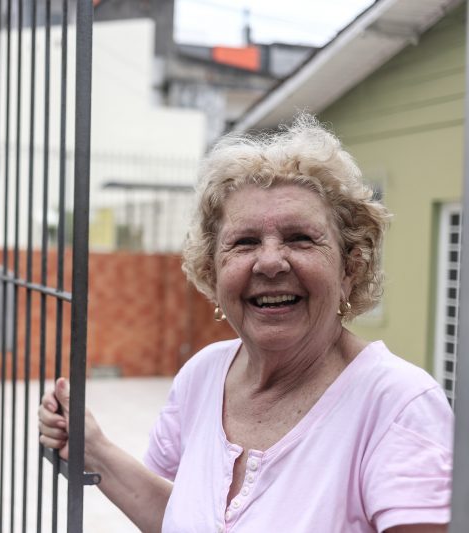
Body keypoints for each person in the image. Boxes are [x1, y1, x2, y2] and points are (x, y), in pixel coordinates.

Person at [38, 114, 453, 532]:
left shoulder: (398, 406)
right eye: (244, 242)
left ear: (350, 267)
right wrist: (94, 449)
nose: (270, 261)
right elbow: (182, 518)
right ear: (212, 272)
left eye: (300, 238)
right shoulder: (202, 376)